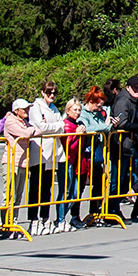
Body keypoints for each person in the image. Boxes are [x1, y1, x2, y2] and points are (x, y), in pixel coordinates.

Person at [110, 76, 138, 219]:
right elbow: (121, 123)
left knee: (127, 180)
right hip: (120, 145)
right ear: (128, 87)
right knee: (118, 179)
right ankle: (111, 210)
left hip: (132, 146)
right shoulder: (123, 101)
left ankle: (116, 209)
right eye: (135, 87)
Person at [27, 82, 65, 235]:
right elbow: (40, 127)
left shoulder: (54, 108)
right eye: (49, 92)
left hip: (52, 152)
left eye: (54, 93)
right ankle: (33, 220)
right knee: (35, 187)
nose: (52, 95)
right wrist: (56, 126)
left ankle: (45, 218)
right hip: (39, 151)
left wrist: (54, 126)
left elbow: (60, 125)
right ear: (42, 92)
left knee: (47, 188)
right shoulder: (35, 107)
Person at [2, 98, 39, 230]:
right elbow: (24, 134)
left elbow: (37, 130)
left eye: (28, 108)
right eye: (24, 109)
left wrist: (31, 130)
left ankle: (14, 221)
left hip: (23, 162)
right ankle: (6, 222)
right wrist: (31, 131)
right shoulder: (10, 121)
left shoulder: (24, 122)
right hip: (12, 161)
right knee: (9, 194)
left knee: (18, 194)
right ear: (16, 111)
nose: (27, 111)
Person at [79, 87, 113, 221]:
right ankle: (76, 216)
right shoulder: (82, 113)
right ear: (92, 102)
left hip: (97, 153)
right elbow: (87, 128)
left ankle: (95, 212)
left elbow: (104, 128)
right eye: (99, 105)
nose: (101, 108)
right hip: (86, 153)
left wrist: (110, 124)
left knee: (98, 184)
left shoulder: (98, 113)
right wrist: (105, 126)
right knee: (80, 187)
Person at [59, 99, 90, 231]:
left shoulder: (77, 124)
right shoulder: (66, 125)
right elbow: (69, 146)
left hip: (77, 161)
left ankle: (65, 217)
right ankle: (60, 219)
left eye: (79, 110)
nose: (77, 113)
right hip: (68, 161)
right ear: (68, 110)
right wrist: (76, 134)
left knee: (75, 192)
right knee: (66, 192)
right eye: (75, 110)